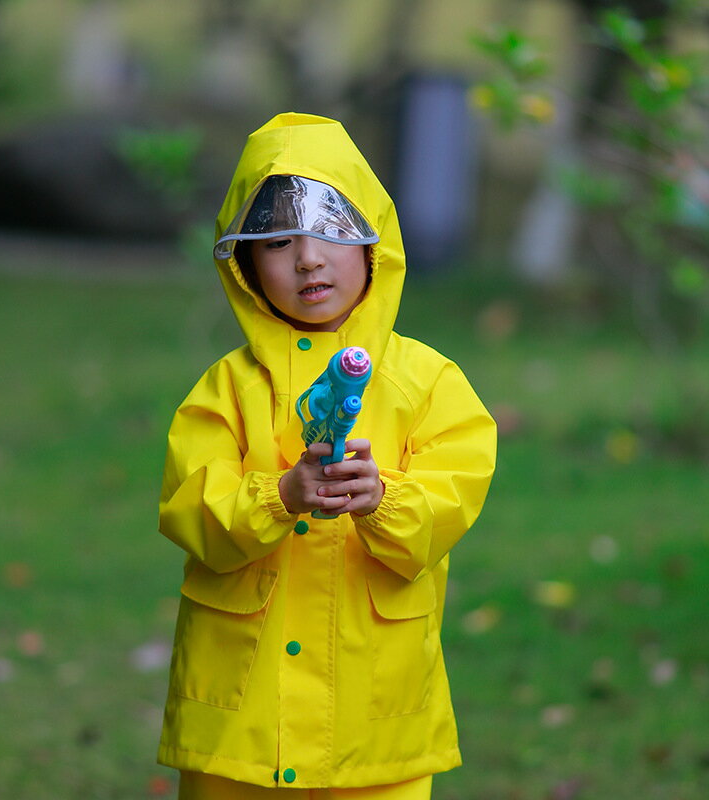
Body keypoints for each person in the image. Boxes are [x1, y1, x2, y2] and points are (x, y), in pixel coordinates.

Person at [157, 112, 497, 799]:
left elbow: (452, 498)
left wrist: (384, 499)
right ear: (246, 266)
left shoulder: (429, 383)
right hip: (241, 728)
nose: (307, 258)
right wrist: (276, 497)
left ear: (373, 241)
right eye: (277, 242)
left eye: (330, 233)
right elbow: (191, 508)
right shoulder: (226, 390)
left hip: (374, 730)